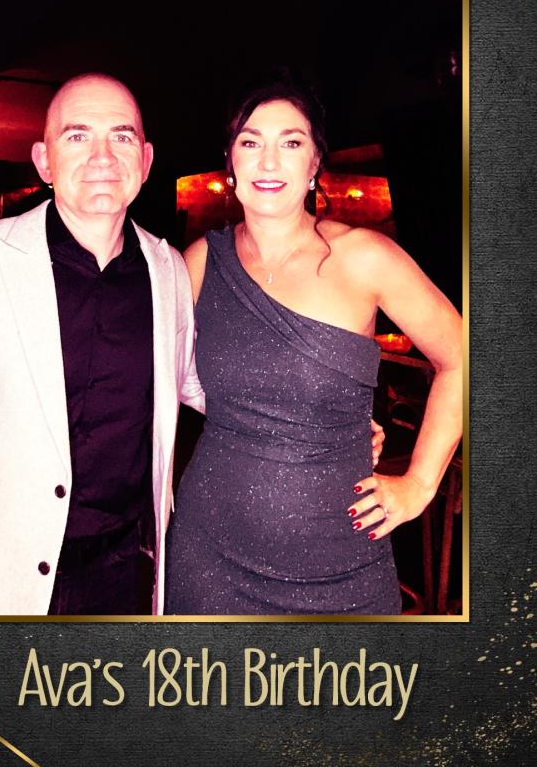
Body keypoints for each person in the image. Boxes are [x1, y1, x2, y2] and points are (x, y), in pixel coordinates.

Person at [165, 73, 462, 615]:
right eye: (251, 142)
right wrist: (290, 421)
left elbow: (462, 359)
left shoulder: (364, 257)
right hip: (208, 553)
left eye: (291, 142)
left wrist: (420, 483)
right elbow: (165, 376)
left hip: (341, 560)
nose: (269, 161)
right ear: (230, 161)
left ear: (314, 163)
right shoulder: (200, 262)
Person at [0, 73, 204, 616]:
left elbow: (197, 385)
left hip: (128, 576)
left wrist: (327, 421)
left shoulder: (169, 269)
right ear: (44, 161)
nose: (102, 156)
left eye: (122, 136)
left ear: (146, 161)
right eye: (78, 135)